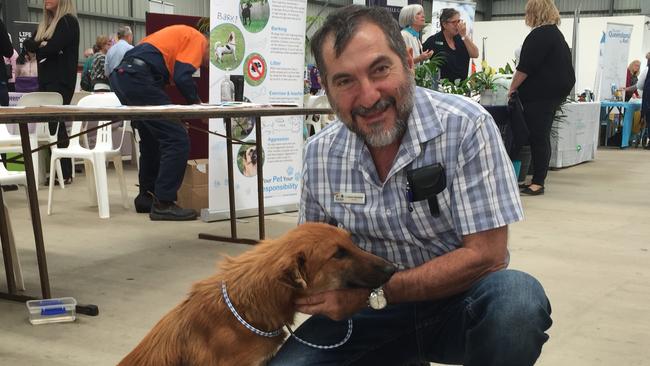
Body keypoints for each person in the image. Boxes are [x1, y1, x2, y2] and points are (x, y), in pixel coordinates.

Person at [268, 5, 551, 366]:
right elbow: (308, 258)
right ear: (326, 88)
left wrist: (375, 293)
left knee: (517, 302)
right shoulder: (321, 155)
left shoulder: (466, 128)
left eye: (380, 69)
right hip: (365, 317)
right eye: (345, 81)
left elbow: (487, 255)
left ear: (408, 62)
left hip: (455, 305)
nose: (369, 97)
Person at [109, 24, 209, 221]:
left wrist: (175, 117)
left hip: (124, 76)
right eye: (209, 61)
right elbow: (182, 77)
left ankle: (147, 196)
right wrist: (198, 107)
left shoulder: (175, 37)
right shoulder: (199, 39)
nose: (204, 65)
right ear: (211, 45)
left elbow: (159, 87)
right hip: (139, 77)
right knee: (177, 139)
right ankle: (164, 203)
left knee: (151, 138)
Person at [508, 0, 575, 196]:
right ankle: (537, 179)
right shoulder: (555, 34)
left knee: (538, 136)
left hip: (541, 95)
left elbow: (525, 68)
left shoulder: (540, 35)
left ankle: (538, 182)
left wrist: (511, 88)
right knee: (540, 135)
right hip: (552, 93)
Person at [23, 0, 80, 185]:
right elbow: (28, 44)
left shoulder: (68, 22)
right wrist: (41, 44)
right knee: (51, 124)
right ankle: (59, 170)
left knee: (57, 123)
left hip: (61, 80)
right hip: (46, 79)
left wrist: (38, 46)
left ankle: (64, 171)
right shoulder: (45, 24)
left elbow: (52, 47)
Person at [422, 8, 479, 82]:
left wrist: (464, 36)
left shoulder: (462, 38)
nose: (457, 25)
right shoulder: (434, 40)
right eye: (454, 22)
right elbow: (419, 55)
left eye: (459, 21)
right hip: (442, 88)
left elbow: (475, 54)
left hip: (461, 87)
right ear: (444, 24)